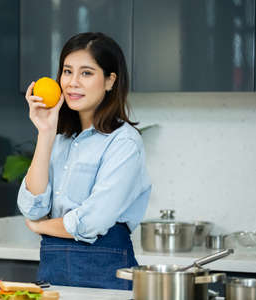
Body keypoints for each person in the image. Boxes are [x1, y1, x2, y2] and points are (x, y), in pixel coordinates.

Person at [17, 32, 151, 290]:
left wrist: (40, 227)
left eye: (86, 73)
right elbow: (31, 206)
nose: (72, 83)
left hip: (106, 280)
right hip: (52, 277)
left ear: (110, 81)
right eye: (67, 71)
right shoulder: (59, 138)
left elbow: (93, 222)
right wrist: (45, 133)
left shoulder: (124, 142)